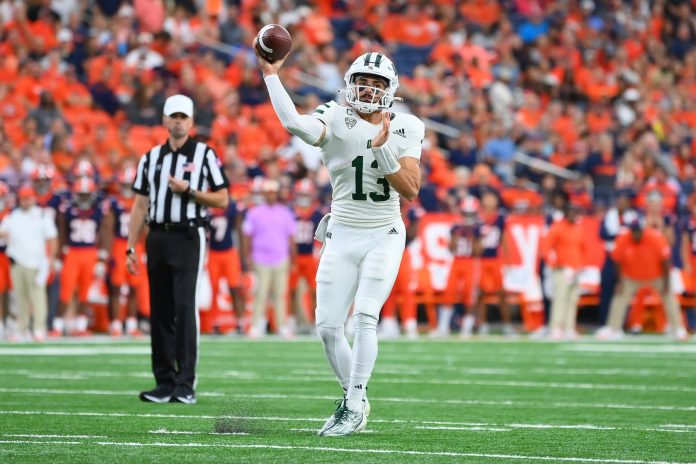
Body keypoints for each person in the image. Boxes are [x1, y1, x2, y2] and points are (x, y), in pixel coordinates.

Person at [256, 45, 424, 436]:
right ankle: (357, 400)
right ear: (349, 85)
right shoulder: (333, 115)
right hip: (342, 232)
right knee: (329, 327)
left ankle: (352, 403)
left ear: (390, 88)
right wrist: (271, 74)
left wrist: (383, 150)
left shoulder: (407, 126)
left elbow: (411, 189)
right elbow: (295, 125)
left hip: (384, 232)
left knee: (366, 315)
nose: (367, 90)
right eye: (361, 82)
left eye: (376, 83)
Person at [128, 94, 229, 404]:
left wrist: (190, 191)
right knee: (159, 310)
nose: (178, 121)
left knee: (185, 307)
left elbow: (222, 199)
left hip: (188, 235)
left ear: (191, 121)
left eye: (183, 117)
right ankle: (164, 381)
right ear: (164, 120)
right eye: (173, 116)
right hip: (157, 236)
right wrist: (131, 246)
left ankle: (185, 383)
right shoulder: (150, 158)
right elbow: (140, 204)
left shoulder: (204, 154)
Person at [597, 215, 688, 341]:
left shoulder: (655, 238)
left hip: (657, 275)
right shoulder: (623, 239)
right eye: (633, 231)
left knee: (669, 298)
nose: (636, 234)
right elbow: (617, 261)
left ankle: (678, 329)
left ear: (643, 230)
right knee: (619, 297)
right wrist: (619, 282)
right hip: (631, 276)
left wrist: (667, 283)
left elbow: (666, 261)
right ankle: (613, 328)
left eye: (638, 231)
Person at [0, 185, 57, 342]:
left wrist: (51, 258)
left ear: (34, 198)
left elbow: (52, 238)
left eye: (29, 197)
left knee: (37, 297)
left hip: (37, 262)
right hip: (17, 261)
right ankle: (22, 328)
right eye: (24, 198)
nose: (26, 201)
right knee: (19, 298)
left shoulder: (42, 215)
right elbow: (2, 233)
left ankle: (39, 328)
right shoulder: (13, 216)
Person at [241, 178, 296, 337]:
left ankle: (281, 325)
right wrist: (247, 256)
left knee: (280, 294)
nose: (270, 196)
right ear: (264, 194)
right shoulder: (254, 213)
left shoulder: (285, 212)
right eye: (268, 193)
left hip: (281, 258)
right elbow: (247, 236)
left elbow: (291, 237)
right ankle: (256, 325)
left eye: (273, 193)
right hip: (260, 258)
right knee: (261, 293)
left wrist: (293, 258)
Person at [542, 202, 585, 340]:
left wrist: (580, 265)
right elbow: (546, 247)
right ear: (566, 213)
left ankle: (569, 328)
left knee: (572, 300)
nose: (573, 215)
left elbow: (582, 249)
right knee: (560, 299)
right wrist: (554, 263)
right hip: (562, 269)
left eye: (575, 212)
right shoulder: (558, 228)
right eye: (571, 212)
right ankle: (555, 327)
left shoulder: (579, 228)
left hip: (575, 269)